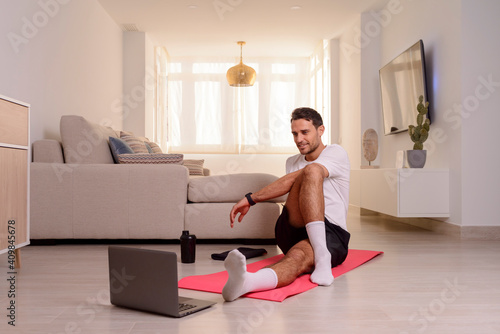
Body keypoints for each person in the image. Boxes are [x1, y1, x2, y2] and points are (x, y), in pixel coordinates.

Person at [222, 107, 351, 302]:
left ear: (321, 130)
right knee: (309, 171)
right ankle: (321, 256)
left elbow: (306, 174)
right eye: (295, 133)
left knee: (297, 257)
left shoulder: (336, 153)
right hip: (292, 227)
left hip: (331, 232)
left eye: (305, 132)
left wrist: (250, 198)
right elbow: (294, 185)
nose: (299, 139)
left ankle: (247, 282)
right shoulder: (292, 161)